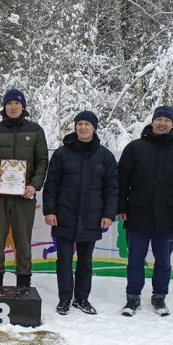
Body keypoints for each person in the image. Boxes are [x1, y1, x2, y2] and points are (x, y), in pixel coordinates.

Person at [116, 105, 173, 317]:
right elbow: (122, 180)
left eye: (166, 120)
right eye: (158, 119)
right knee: (135, 259)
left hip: (168, 216)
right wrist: (121, 206)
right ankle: (132, 297)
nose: (162, 123)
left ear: (172, 124)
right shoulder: (135, 148)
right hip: (137, 213)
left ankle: (159, 296)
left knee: (163, 261)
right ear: (152, 122)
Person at [43, 110, 118, 315]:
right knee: (64, 260)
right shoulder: (61, 153)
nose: (82, 127)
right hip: (64, 216)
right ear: (75, 127)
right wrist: (49, 210)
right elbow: (51, 185)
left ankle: (82, 298)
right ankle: (65, 298)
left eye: (87, 124)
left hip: (91, 218)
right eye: (79, 124)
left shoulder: (105, 156)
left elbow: (112, 189)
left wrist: (108, 214)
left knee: (86, 261)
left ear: (94, 128)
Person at [0, 88, 48, 290]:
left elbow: (42, 161)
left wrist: (34, 185)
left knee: (23, 240)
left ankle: (24, 284)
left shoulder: (36, 131)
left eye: (16, 103)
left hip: (24, 196)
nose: (13, 106)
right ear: (4, 106)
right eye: (9, 103)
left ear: (23, 106)